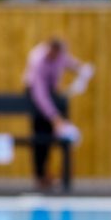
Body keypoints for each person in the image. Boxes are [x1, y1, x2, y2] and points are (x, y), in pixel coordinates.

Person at [23, 36, 93, 190]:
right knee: (41, 135)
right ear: (48, 50)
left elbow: (70, 63)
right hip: (35, 94)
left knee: (57, 134)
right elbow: (40, 94)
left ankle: (59, 173)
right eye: (53, 55)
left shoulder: (61, 56)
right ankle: (40, 176)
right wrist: (54, 117)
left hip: (52, 93)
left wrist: (82, 69)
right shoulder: (37, 60)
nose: (56, 58)